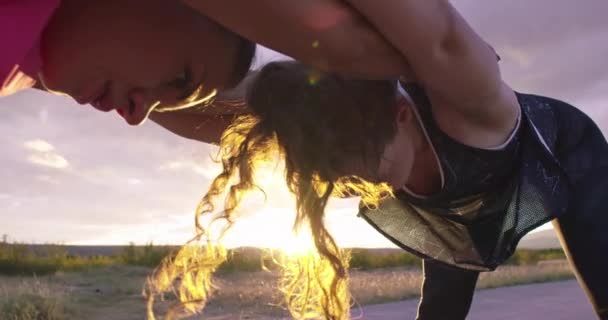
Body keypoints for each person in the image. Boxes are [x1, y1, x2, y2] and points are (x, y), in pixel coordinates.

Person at [188, 2, 608, 320]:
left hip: (561, 157)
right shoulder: (347, 148)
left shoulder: (469, 107)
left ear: (402, 115)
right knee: (441, 305)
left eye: (365, 168)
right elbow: (196, 107)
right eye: (344, 179)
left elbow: (441, 37)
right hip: (461, 209)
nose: (363, 186)